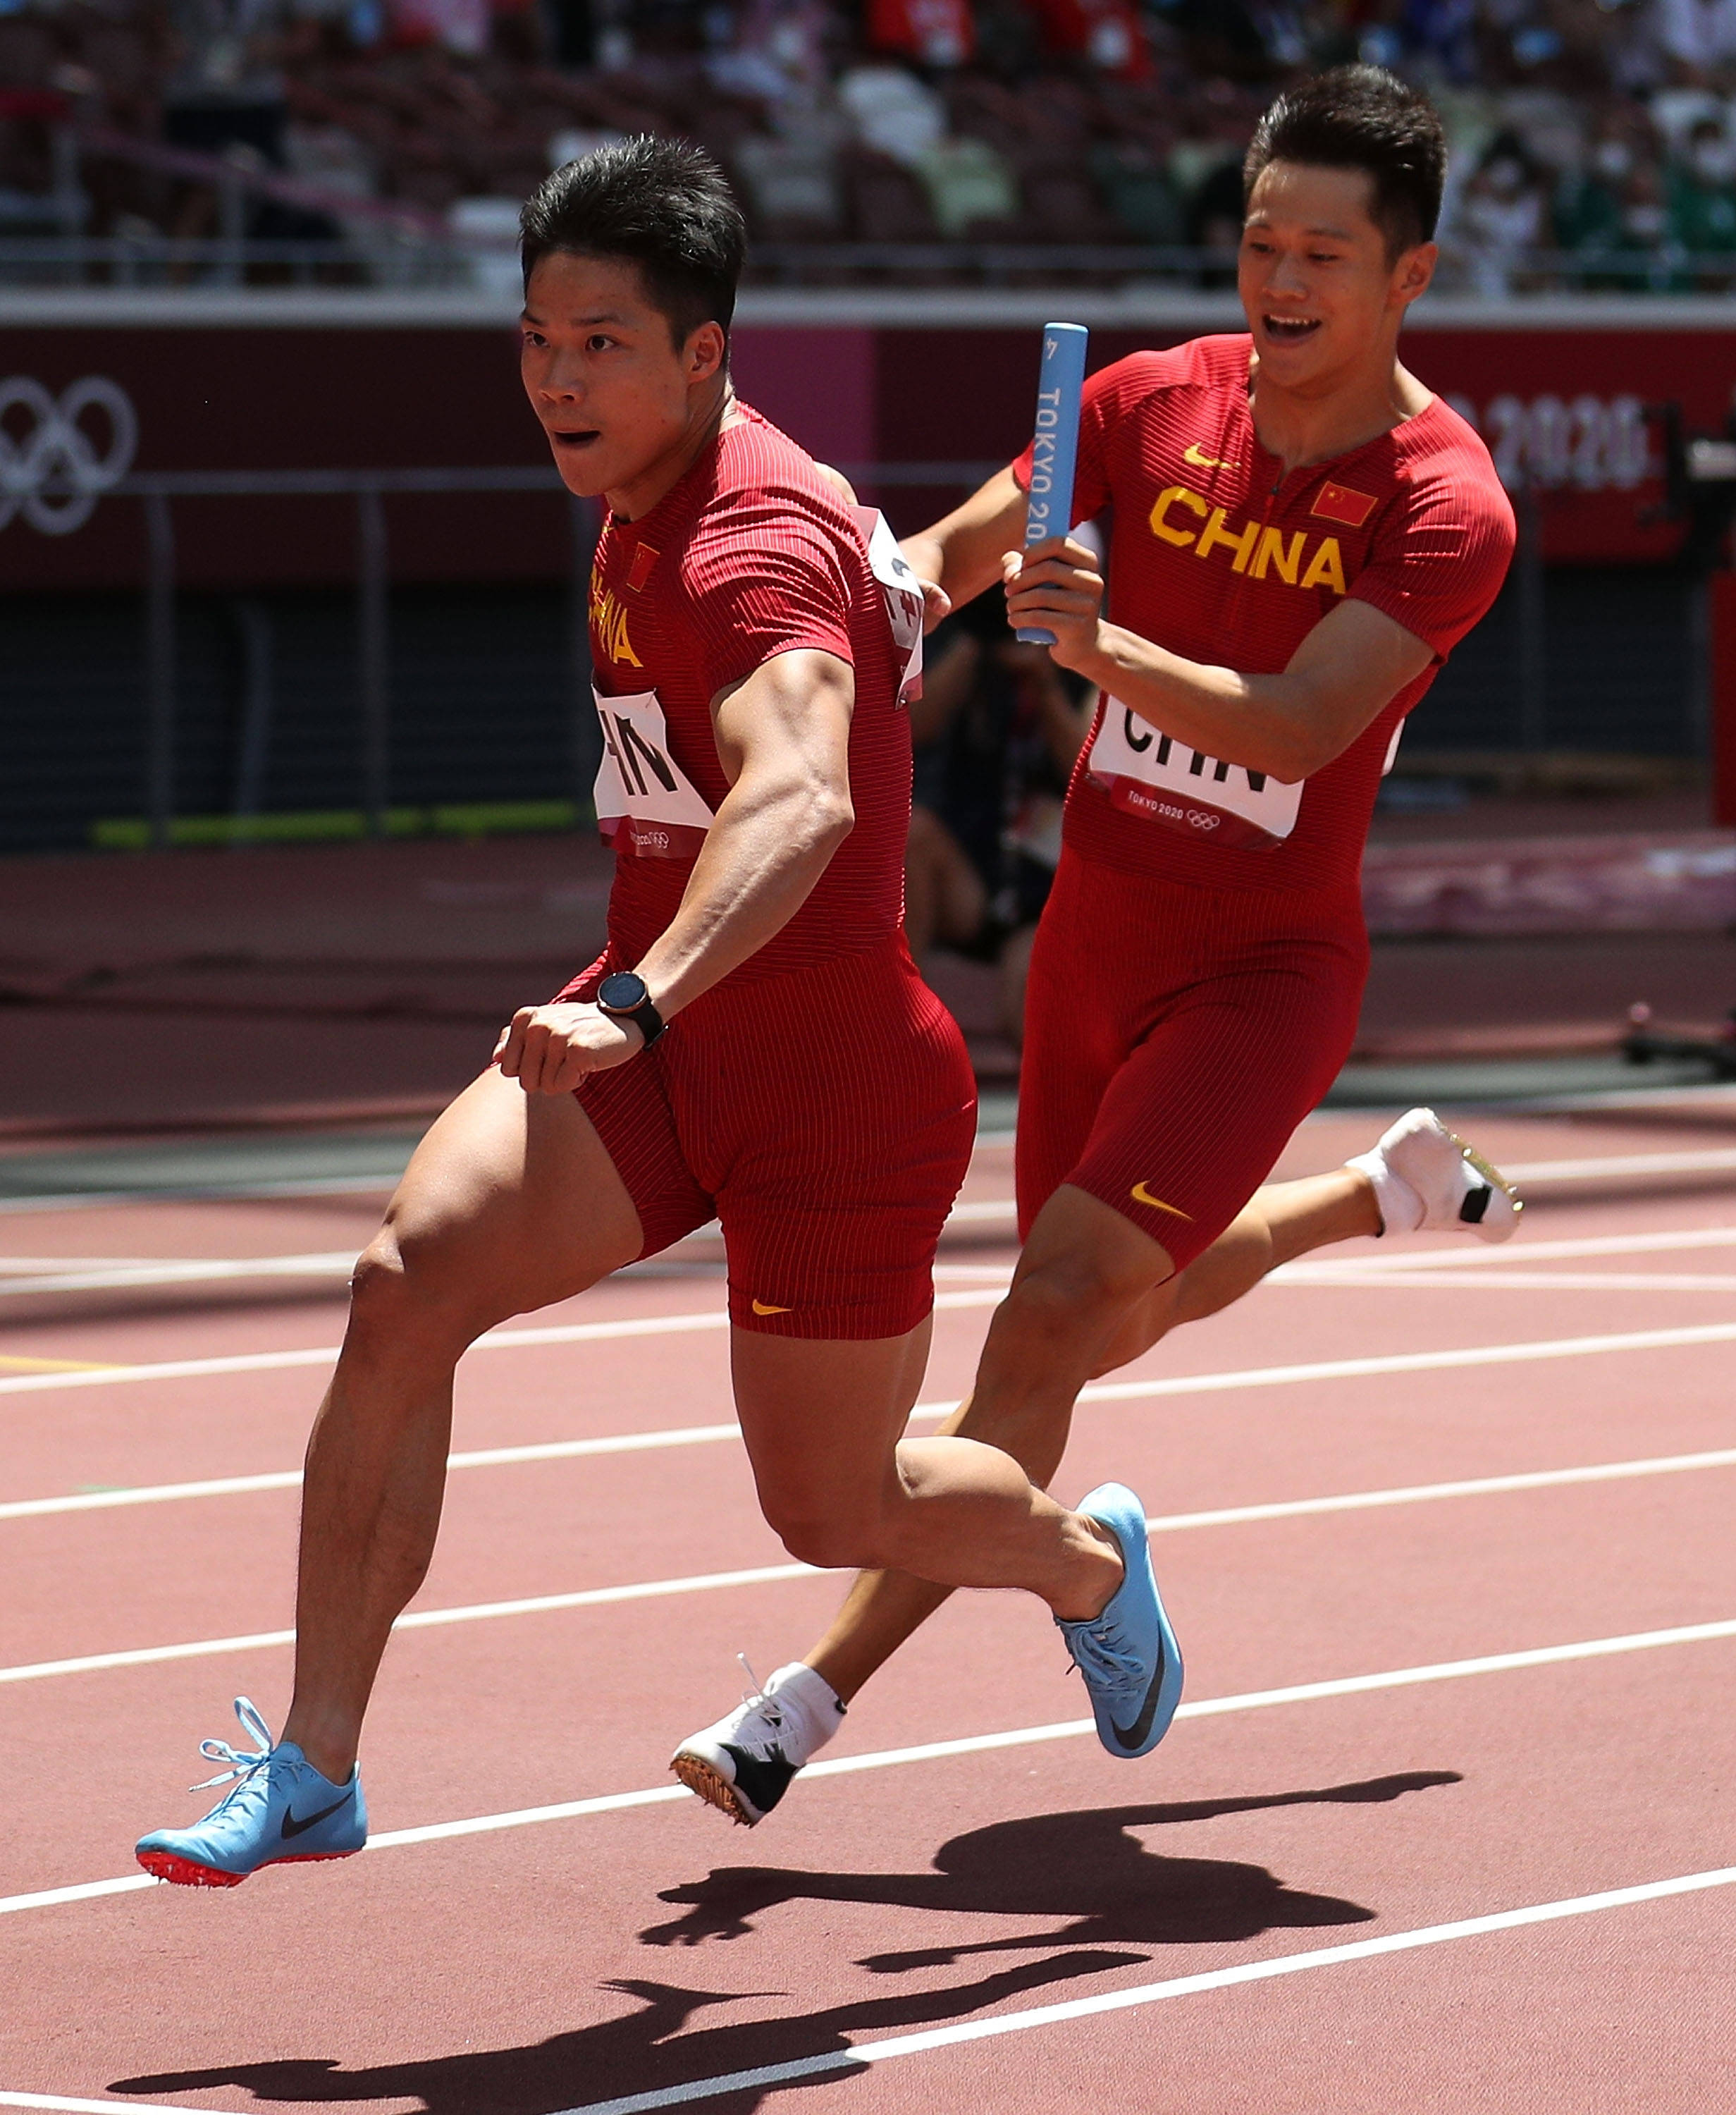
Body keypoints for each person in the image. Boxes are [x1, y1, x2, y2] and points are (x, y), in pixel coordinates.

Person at [133, 136, 1179, 1889]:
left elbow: (801, 800)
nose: (553, 376)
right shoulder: (681, 492)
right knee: (405, 1283)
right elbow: (847, 628)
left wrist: (638, 997)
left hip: (824, 1087)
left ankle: (1082, 1560)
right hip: (651, 1049)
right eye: (536, 336)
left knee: (830, 1511)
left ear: (705, 353)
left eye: (599, 342)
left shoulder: (746, 544)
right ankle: (317, 1761)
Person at [672, 65, 1521, 1828]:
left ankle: (806, 1699)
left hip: (1261, 972)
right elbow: (973, 538)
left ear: (1409, 280)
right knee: (1094, 1324)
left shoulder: (1446, 501)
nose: (1275, 282)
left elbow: (1294, 727)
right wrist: (870, 612)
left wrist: (1097, 646)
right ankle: (1372, 1194)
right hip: (1096, 935)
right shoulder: (1146, 401)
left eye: (1322, 257)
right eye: (1256, 241)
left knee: (1050, 1317)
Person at [906, 587, 1094, 1044]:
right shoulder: (961, 646)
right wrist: (978, 638)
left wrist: (1045, 685)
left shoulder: (1089, 665)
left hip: (1041, 895)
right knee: (915, 833)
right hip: (971, 876)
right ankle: (894, 1011)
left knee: (1028, 994)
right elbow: (910, 729)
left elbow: (1089, 778)